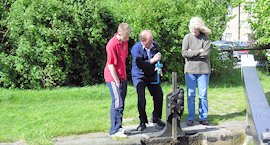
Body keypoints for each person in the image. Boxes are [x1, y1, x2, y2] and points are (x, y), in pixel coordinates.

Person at [131, 30, 165, 131]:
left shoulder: (155, 46)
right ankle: (142, 122)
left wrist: (159, 67)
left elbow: (158, 59)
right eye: (149, 41)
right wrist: (153, 60)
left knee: (159, 95)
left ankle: (156, 118)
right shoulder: (135, 49)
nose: (152, 42)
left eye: (152, 40)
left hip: (151, 75)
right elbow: (141, 64)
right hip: (139, 76)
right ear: (143, 41)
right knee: (141, 98)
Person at [182, 16, 212, 126]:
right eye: (192, 29)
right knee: (191, 94)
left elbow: (205, 54)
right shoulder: (187, 37)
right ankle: (190, 118)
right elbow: (184, 53)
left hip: (203, 70)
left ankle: (203, 117)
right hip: (190, 71)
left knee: (203, 95)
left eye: (196, 29)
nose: (194, 31)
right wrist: (199, 50)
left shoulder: (206, 38)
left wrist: (192, 53)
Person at [104, 23, 131, 137]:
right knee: (117, 102)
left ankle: (119, 127)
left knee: (121, 102)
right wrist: (117, 80)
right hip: (112, 77)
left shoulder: (124, 42)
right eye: (126, 36)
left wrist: (123, 77)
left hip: (122, 76)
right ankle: (113, 130)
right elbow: (111, 65)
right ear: (119, 34)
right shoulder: (111, 44)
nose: (128, 38)